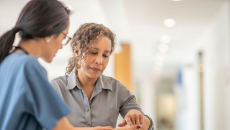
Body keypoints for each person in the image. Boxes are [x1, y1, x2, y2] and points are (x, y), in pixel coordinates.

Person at [0, 1, 141, 130]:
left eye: (105, 55)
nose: (61, 45)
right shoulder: (30, 67)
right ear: (50, 30)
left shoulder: (7, 62)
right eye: (64, 37)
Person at [50, 23, 154, 130]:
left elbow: (147, 125)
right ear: (77, 51)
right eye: (93, 52)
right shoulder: (55, 88)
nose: (99, 61)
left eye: (105, 55)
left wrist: (137, 116)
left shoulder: (117, 89)